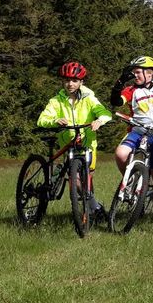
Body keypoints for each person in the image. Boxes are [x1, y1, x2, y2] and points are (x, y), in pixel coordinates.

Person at [37, 61, 112, 222]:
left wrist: (99, 121)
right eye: (66, 80)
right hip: (67, 144)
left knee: (87, 178)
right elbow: (42, 119)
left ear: (81, 82)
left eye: (74, 80)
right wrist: (55, 120)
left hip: (87, 145)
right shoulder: (56, 101)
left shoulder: (89, 99)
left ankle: (90, 209)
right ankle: (94, 208)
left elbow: (105, 112)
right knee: (75, 179)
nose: (70, 84)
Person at [110, 55, 153, 225]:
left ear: (150, 74)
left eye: (138, 72)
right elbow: (116, 101)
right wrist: (120, 82)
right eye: (133, 73)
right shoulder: (131, 90)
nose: (135, 76)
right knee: (120, 154)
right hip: (137, 131)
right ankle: (132, 179)